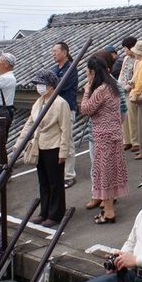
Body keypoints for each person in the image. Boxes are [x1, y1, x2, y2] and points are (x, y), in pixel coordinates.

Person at [15, 69, 71, 227]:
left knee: (55, 182)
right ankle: (44, 212)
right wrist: (19, 143)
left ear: (51, 86)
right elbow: (30, 124)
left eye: (42, 84)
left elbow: (66, 130)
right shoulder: (39, 102)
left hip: (54, 146)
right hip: (39, 145)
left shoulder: (61, 103)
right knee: (44, 181)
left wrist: (63, 151)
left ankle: (56, 214)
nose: (39, 87)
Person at [81, 56, 129, 224]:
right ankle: (108, 208)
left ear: (93, 72)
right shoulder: (113, 86)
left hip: (103, 137)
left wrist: (87, 90)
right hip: (115, 134)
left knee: (104, 173)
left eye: (87, 72)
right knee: (111, 171)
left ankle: (108, 212)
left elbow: (86, 109)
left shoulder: (100, 89)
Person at [51, 41, 79, 189]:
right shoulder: (55, 68)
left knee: (67, 140)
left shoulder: (71, 68)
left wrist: (52, 84)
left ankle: (69, 175)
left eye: (56, 51)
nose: (53, 53)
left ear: (65, 52)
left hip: (67, 108)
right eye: (53, 51)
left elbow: (60, 86)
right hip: (55, 108)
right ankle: (62, 172)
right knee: (58, 140)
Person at [118, 37, 139, 151]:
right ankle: (126, 140)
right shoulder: (126, 58)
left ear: (131, 48)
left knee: (132, 117)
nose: (124, 51)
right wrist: (118, 86)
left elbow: (136, 76)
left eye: (125, 48)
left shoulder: (138, 59)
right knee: (124, 116)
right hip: (123, 90)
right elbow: (122, 73)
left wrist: (128, 87)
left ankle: (136, 142)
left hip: (132, 91)